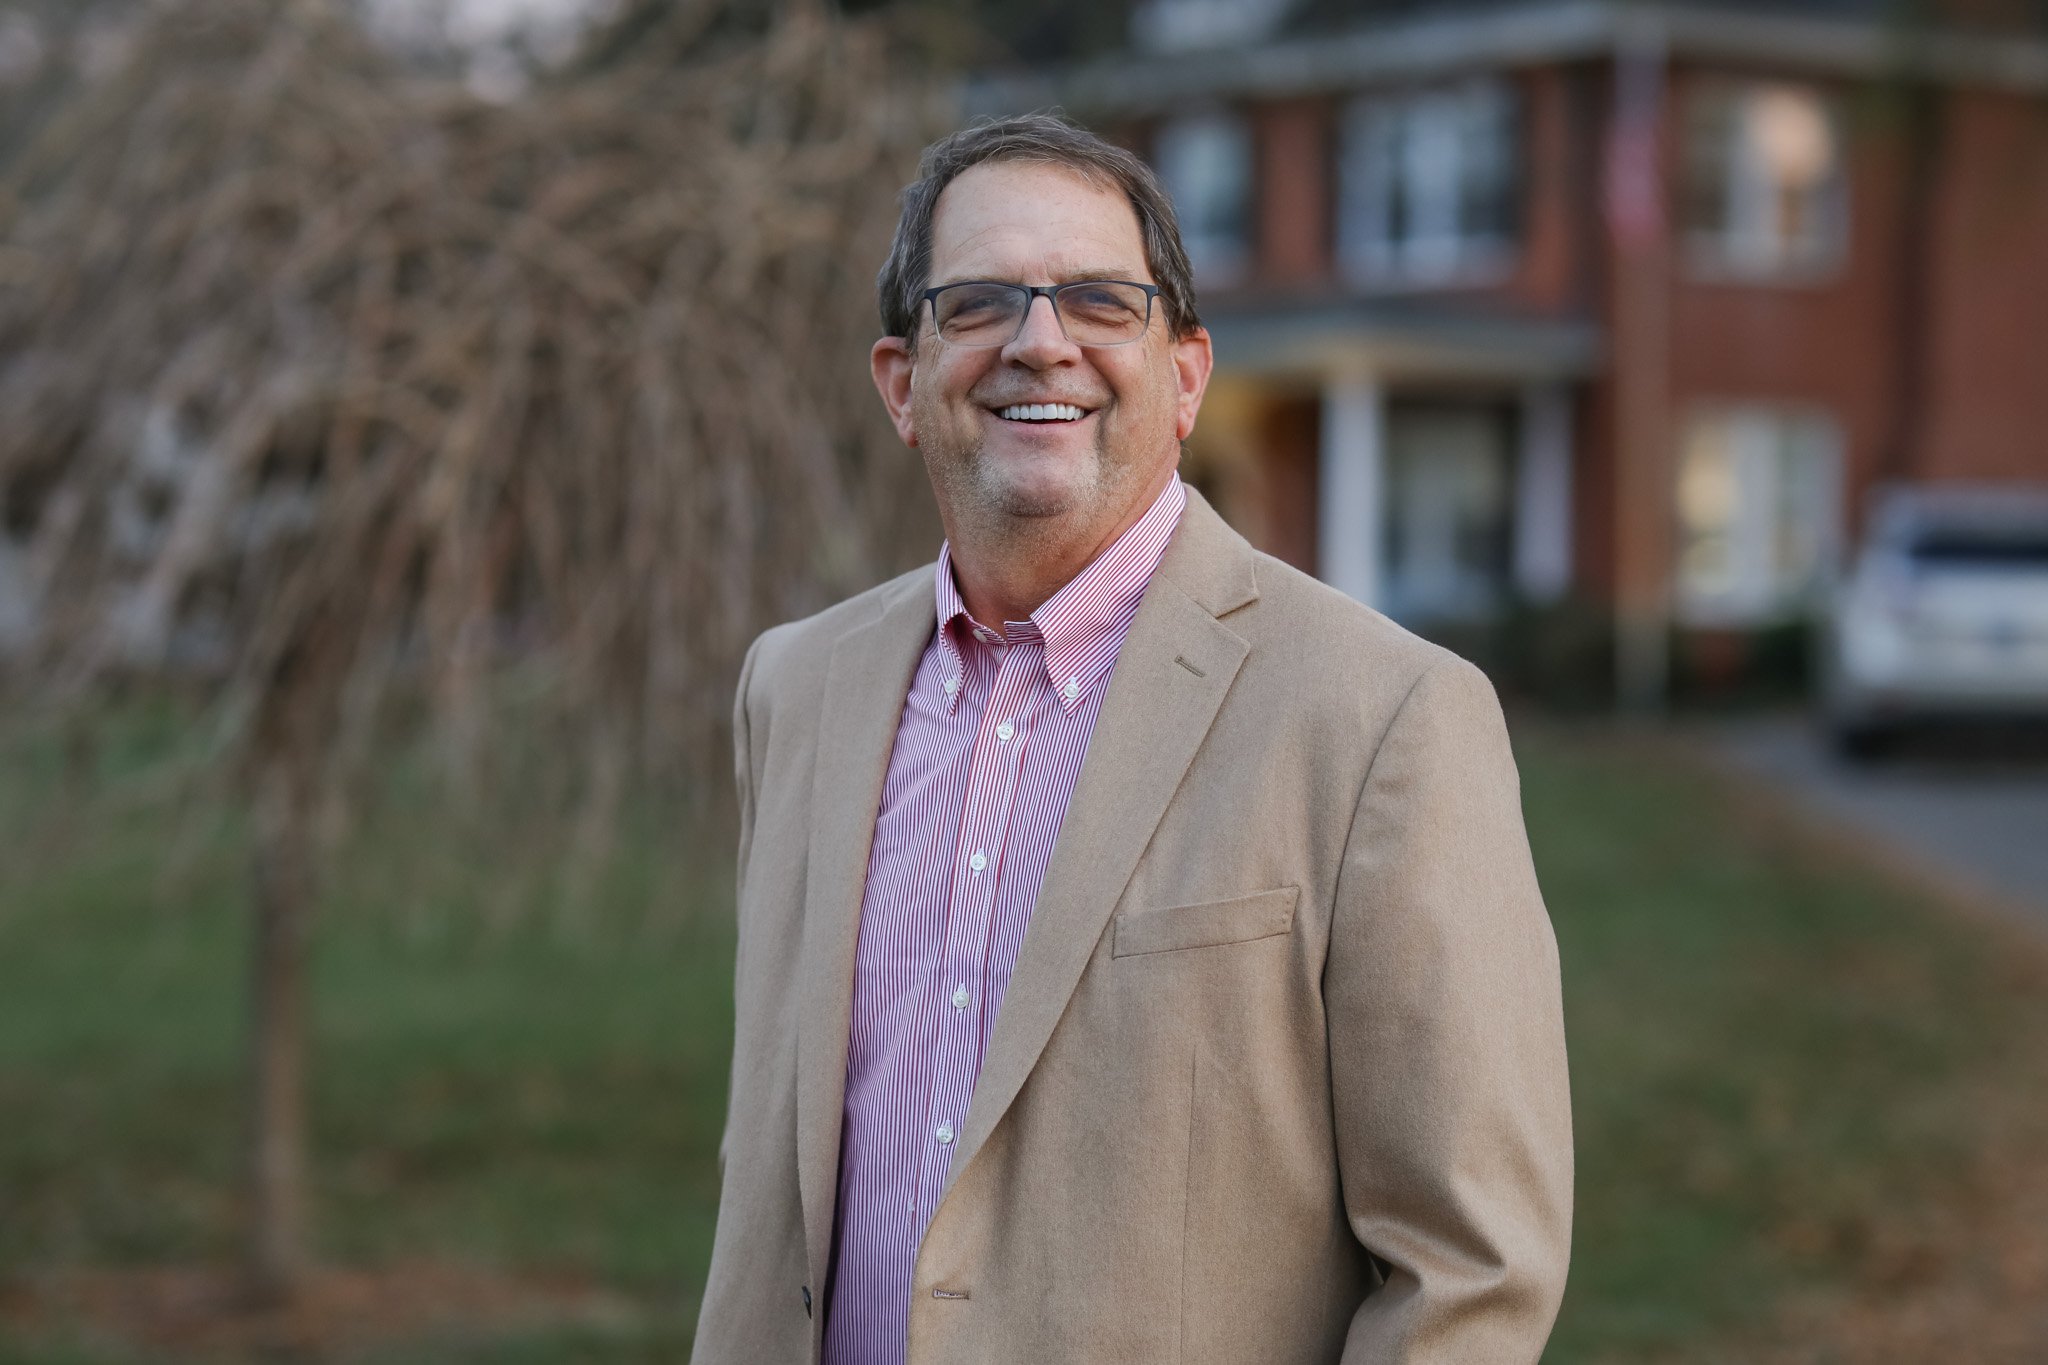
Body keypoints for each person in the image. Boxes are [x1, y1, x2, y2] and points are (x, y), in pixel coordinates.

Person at [691, 113, 1572, 1365]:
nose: (1040, 343)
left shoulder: (1383, 718)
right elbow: (770, 1184)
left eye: (1101, 301)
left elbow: (1469, 1275)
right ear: (901, 381)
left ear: (1185, 377)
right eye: (982, 301)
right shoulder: (794, 691)